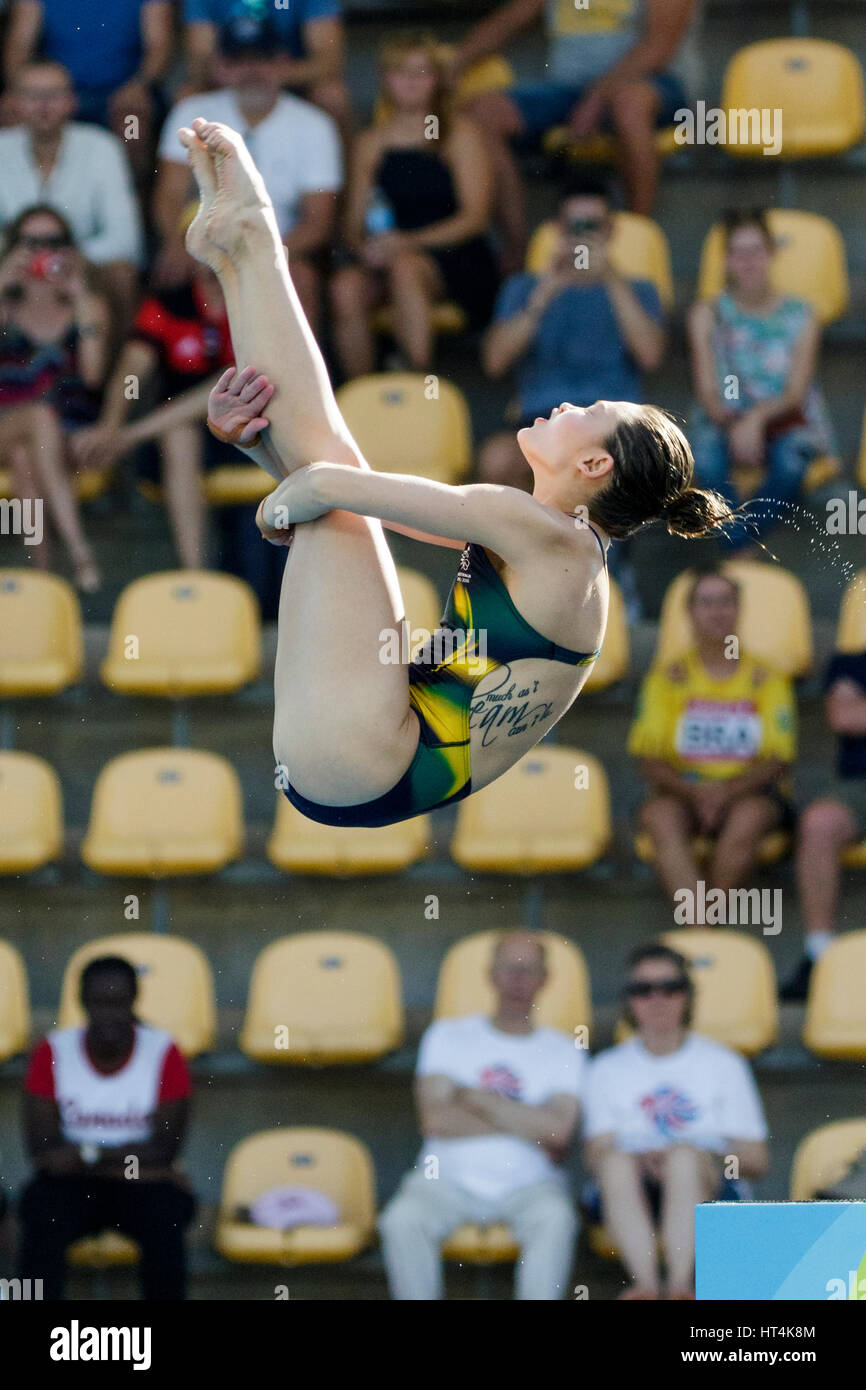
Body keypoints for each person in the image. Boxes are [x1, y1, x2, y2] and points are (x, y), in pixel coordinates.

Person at [179, 118, 732, 831]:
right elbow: (332, 495)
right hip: (355, 766)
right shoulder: (560, 550)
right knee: (334, 482)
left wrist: (285, 491)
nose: (564, 401)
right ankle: (240, 257)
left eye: (588, 409)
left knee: (335, 474)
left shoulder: (542, 532)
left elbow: (330, 487)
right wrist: (259, 451)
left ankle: (252, 248)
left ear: (595, 464)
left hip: (370, 749)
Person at [379, 931, 584, 1300]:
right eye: (509, 969)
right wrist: (527, 1120)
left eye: (528, 970)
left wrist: (474, 1097)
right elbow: (436, 1121)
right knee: (401, 1220)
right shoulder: (448, 1036)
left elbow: (557, 1133)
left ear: (545, 978)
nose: (518, 980)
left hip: (531, 1185)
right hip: (444, 1181)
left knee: (557, 1219)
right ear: (490, 974)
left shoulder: (564, 1050)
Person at [449, 0, 697, 268]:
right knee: (482, 113)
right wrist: (451, 65)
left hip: (652, 84)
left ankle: (636, 241)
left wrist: (599, 95)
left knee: (628, 104)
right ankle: (518, 253)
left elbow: (659, 46)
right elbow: (510, 20)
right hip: (568, 90)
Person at [583, 943, 769, 1300]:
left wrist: (698, 1156)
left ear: (688, 996)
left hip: (710, 1189)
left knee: (683, 1159)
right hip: (629, 1190)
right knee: (617, 1163)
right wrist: (642, 1159)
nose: (657, 999)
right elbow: (595, 1154)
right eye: (643, 990)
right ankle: (648, 1287)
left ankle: (679, 1288)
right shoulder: (606, 1067)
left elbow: (757, 1159)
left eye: (670, 988)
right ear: (629, 1001)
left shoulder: (724, 1064)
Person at [17, 955, 196, 1301]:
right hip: (84, 1186)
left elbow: (167, 1148)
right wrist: (137, 1163)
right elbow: (42, 1153)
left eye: (118, 1003)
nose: (109, 1014)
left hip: (136, 1188)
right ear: (82, 1002)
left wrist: (85, 1154)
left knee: (167, 1215)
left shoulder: (163, 1051)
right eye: (99, 1002)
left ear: (134, 1000)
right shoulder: (52, 1051)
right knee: (39, 1210)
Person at [478, 176, 665, 492]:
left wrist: (611, 278)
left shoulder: (638, 290)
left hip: (612, 426)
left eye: (592, 225)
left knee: (617, 462)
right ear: (558, 230)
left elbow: (650, 356)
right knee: (497, 459)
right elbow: (495, 362)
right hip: (542, 422)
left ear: (610, 231)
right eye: (574, 226)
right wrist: (547, 291)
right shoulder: (524, 288)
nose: (582, 235)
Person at [629, 568, 797, 919]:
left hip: (751, 793)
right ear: (689, 613)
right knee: (659, 816)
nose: (717, 610)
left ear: (738, 609)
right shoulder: (666, 678)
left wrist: (725, 791)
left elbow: (779, 759)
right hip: (682, 791)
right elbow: (649, 758)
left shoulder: (767, 677)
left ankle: (701, 926)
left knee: (749, 818)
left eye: (725, 601)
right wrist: (697, 793)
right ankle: (705, 932)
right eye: (706, 602)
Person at [329, 32, 498, 379]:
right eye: (400, 72)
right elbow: (352, 224)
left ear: (437, 80)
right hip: (389, 255)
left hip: (455, 256)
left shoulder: (458, 133)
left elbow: (475, 219)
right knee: (345, 286)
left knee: (405, 267)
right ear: (385, 79)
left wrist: (406, 244)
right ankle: (363, 397)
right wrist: (365, 250)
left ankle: (415, 384)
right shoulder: (370, 143)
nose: (410, 81)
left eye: (421, 72)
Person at [154, 17, 342, 324]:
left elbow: (318, 223)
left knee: (301, 278)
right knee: (168, 269)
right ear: (222, 67)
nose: (252, 71)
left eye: (263, 60)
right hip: (204, 243)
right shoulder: (192, 111)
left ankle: (300, 374)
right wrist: (179, 243)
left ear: (282, 63)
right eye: (240, 61)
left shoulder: (315, 124)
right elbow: (169, 195)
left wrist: (256, 254)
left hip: (278, 247)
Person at [688, 209, 835, 549]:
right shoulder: (706, 313)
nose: (747, 261)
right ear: (725, 260)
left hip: (785, 419)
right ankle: (746, 547)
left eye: (755, 251)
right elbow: (708, 391)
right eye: (738, 252)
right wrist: (736, 423)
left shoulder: (802, 315)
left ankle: (735, 546)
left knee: (790, 465)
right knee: (706, 460)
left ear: (771, 253)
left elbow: (796, 393)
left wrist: (755, 420)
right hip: (722, 419)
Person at [0, 204, 109, 589]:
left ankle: (40, 580)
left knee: (24, 458)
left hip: (63, 436)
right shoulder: (6, 303)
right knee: (35, 421)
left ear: (69, 249)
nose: (43, 251)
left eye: (53, 242)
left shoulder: (87, 305)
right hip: (6, 423)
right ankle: (80, 551)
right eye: (31, 243)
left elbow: (93, 375)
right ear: (14, 247)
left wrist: (78, 295)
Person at [0, 61, 144, 334]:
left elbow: (126, 240)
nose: (43, 105)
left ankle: (113, 375)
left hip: (81, 266)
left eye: (53, 95)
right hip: (12, 265)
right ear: (14, 102)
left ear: (71, 101)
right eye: (32, 95)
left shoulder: (102, 146)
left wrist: (67, 260)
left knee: (121, 274)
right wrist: (19, 261)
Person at [2, 0, 173, 180]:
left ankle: (130, 200)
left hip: (123, 94)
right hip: (56, 92)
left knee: (133, 127)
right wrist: (16, 90)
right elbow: (19, 44)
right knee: (12, 113)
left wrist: (140, 85)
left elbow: (159, 46)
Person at [781, 646, 866, 1000]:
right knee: (817, 822)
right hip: (857, 785)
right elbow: (845, 717)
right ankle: (819, 955)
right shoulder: (850, 661)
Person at [181, 0, 351, 139]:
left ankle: (343, 180)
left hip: (292, 80)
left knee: (331, 96)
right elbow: (201, 64)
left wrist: (266, 74)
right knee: (187, 96)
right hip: (230, 78)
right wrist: (244, 74)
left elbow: (328, 63)